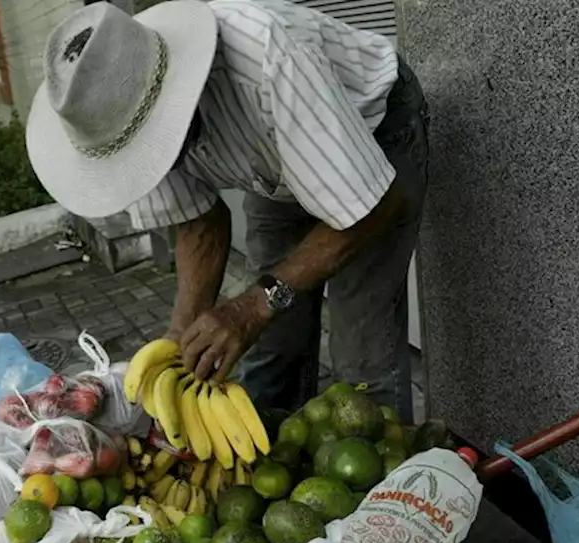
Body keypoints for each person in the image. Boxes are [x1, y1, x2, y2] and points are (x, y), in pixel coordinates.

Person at [25, 0, 429, 419]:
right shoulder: (119, 118)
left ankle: (388, 479)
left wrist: (253, 305)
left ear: (174, 94)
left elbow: (371, 206)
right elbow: (199, 223)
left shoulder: (269, 56)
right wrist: (182, 333)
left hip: (372, 135)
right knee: (272, 347)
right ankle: (277, 465)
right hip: (274, 166)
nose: (151, 156)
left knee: (361, 354)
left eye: (154, 139)